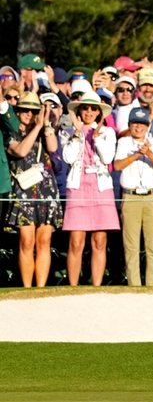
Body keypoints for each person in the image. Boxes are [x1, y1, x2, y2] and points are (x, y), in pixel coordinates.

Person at [61, 93, 120, 287]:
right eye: (85, 108)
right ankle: (73, 287)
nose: (88, 112)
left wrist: (96, 137)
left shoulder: (107, 132)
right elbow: (68, 159)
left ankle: (96, 287)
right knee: (76, 242)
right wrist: (78, 135)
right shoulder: (68, 131)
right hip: (78, 187)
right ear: (79, 110)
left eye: (93, 108)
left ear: (99, 112)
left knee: (99, 241)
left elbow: (107, 158)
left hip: (101, 187)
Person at [5, 92, 61, 287]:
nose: (29, 114)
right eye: (24, 110)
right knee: (27, 242)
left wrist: (45, 125)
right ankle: (27, 288)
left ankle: (41, 288)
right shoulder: (10, 133)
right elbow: (20, 151)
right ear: (17, 111)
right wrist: (36, 127)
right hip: (24, 190)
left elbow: (53, 148)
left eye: (33, 110)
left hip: (46, 190)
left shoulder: (45, 131)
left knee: (44, 241)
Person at [114, 106, 153, 286]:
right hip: (131, 196)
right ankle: (134, 286)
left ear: (148, 125)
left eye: (142, 124)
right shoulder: (124, 143)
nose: (139, 127)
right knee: (131, 246)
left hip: (151, 197)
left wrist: (149, 152)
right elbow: (117, 166)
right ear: (129, 125)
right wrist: (138, 154)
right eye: (135, 123)